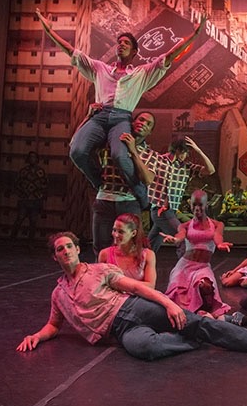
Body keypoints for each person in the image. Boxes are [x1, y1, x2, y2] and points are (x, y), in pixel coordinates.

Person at [16, 231, 247, 359]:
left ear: (77, 249)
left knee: (196, 323)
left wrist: (169, 304)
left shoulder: (99, 270)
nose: (65, 251)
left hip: (134, 308)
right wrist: (36, 336)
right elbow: (54, 325)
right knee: (146, 349)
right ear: (54, 257)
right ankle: (195, 340)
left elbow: (137, 287)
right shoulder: (59, 293)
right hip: (120, 332)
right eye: (60, 249)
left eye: (69, 247)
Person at [35, 8, 206, 198]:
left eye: (126, 43)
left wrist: (194, 35)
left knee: (119, 155)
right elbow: (72, 52)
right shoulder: (100, 68)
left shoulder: (141, 73)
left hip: (121, 118)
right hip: (99, 117)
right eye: (119, 42)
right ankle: (100, 183)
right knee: (77, 151)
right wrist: (49, 31)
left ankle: (140, 192)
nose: (121, 45)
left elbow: (169, 56)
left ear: (134, 51)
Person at [91, 110, 155, 255]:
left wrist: (133, 151)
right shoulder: (113, 143)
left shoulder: (149, 154)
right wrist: (90, 116)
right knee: (101, 248)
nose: (143, 124)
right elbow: (80, 145)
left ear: (150, 132)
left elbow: (148, 179)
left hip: (129, 202)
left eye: (148, 124)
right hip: (105, 199)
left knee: (130, 248)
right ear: (132, 122)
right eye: (141, 119)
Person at [161, 190, 231, 318]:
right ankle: (188, 314)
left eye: (200, 205)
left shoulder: (217, 224)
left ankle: (202, 311)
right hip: (185, 266)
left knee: (205, 286)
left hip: (202, 267)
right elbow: (180, 235)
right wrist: (175, 240)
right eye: (194, 205)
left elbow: (217, 236)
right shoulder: (185, 225)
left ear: (206, 205)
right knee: (178, 294)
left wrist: (220, 244)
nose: (197, 209)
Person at [141, 137, 216, 255]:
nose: (186, 156)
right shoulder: (159, 160)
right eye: (185, 152)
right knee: (184, 240)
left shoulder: (186, 167)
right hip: (162, 210)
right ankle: (185, 266)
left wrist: (198, 150)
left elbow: (210, 170)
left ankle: (141, 262)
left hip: (171, 211)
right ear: (178, 150)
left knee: (150, 245)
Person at [97, 213, 157, 288]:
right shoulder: (104, 254)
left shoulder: (148, 255)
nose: (116, 235)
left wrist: (120, 283)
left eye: (121, 232)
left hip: (138, 295)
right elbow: (99, 283)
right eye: (114, 230)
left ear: (133, 233)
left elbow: (150, 286)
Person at [10, 151, 48, 242]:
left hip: (35, 200)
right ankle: (12, 239)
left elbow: (45, 184)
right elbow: (17, 183)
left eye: (34, 157)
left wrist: (40, 195)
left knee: (33, 221)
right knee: (20, 219)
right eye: (30, 157)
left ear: (37, 159)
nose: (32, 159)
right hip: (25, 200)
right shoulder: (23, 171)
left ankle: (30, 242)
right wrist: (22, 194)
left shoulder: (41, 171)